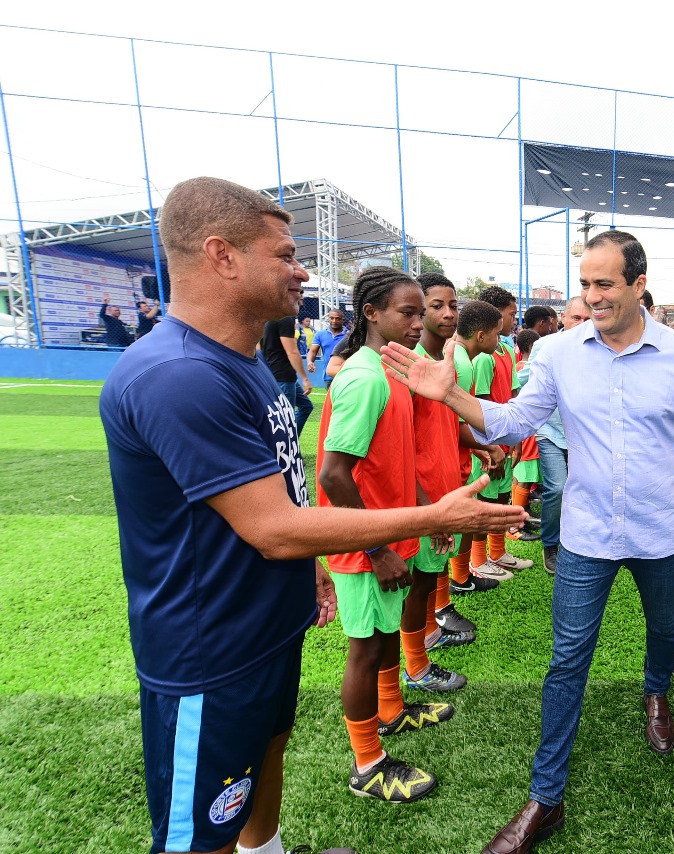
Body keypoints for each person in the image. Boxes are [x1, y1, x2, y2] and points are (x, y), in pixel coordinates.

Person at [379, 230, 674, 854]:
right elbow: (516, 420)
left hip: (660, 533)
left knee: (663, 633)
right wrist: (454, 396)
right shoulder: (557, 352)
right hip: (586, 535)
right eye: (585, 283)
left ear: (638, 284)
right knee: (567, 662)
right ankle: (545, 800)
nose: (592, 295)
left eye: (605, 283)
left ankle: (657, 694)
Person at [99, 176, 523, 854]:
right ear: (222, 255)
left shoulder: (238, 363)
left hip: (264, 621)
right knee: (200, 828)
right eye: (286, 254)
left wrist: (315, 571)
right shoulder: (176, 373)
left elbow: (282, 487)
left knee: (267, 754)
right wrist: (432, 516)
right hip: (210, 648)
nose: (302, 270)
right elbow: (270, 525)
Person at [316, 267, 457, 804]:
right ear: (370, 313)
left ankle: (393, 711)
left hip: (388, 535)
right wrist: (374, 548)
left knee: (381, 640)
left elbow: (395, 465)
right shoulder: (366, 377)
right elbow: (333, 474)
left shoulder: (390, 371)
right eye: (408, 312)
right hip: (363, 544)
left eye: (421, 313)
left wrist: (429, 517)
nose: (417, 323)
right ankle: (368, 764)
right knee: (365, 649)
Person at [400, 272, 472, 686]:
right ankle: (417, 667)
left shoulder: (444, 361)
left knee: (429, 577)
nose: (448, 314)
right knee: (418, 583)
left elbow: (445, 423)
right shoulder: (409, 369)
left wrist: (477, 443)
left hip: (444, 487)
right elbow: (399, 447)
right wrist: (425, 501)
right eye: (436, 306)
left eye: (453, 305)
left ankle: (428, 635)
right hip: (424, 495)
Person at [520, 296, 592, 576]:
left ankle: (577, 542)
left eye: (588, 319)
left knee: (584, 490)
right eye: (577, 318)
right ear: (564, 318)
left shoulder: (602, 347)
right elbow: (524, 381)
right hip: (550, 431)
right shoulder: (545, 346)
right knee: (558, 488)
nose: (582, 325)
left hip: (584, 435)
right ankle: (550, 544)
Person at [469, 286, 532, 578]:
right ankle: (478, 562)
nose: (515, 320)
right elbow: (479, 406)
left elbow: (513, 393)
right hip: (489, 444)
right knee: (485, 503)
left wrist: (516, 437)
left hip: (506, 440)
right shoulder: (483, 357)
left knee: (501, 498)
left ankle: (497, 553)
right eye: (511, 314)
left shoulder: (505, 348)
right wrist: (491, 445)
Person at [447, 301, 509, 592]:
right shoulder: (461, 363)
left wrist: (481, 446)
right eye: (497, 334)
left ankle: (462, 577)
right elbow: (455, 424)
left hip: (461, 455)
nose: (500, 341)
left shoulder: (462, 358)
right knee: (461, 522)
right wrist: (491, 446)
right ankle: (458, 581)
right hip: (452, 459)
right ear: (482, 335)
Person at [511, 328, 543, 544]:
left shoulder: (518, 368)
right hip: (527, 432)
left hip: (529, 431)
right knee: (523, 477)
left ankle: (519, 519)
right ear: (533, 348)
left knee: (524, 476)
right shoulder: (525, 370)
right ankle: (514, 525)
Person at [261, 313, 314, 437]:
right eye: (299, 292)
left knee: (306, 407)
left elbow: (258, 347)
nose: (301, 296)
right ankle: (285, 450)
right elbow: (292, 352)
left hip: (275, 373)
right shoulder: (285, 318)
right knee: (286, 418)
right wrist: (305, 379)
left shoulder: (268, 315)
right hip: (283, 375)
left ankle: (291, 441)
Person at [308, 310, 349, 385]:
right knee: (330, 397)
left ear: (343, 320)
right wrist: (310, 362)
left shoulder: (349, 335)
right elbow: (313, 351)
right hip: (328, 376)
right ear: (328, 319)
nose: (334, 321)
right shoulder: (320, 334)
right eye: (331, 318)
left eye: (337, 318)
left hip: (346, 375)